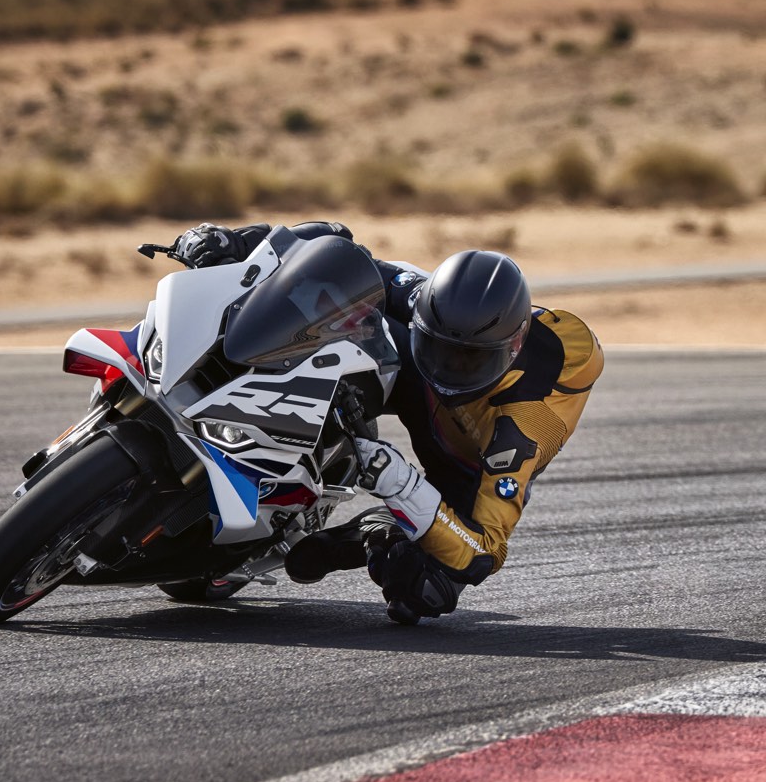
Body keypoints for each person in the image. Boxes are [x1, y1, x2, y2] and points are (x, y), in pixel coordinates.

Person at [168, 220, 604, 622]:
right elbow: (332, 250)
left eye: (470, 361)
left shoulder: (524, 428)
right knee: (327, 301)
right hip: (415, 376)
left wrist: (400, 483)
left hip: (464, 465)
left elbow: (486, 551)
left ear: (513, 348)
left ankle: (368, 530)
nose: (449, 369)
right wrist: (235, 242)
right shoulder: (422, 302)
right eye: (441, 349)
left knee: (423, 588)